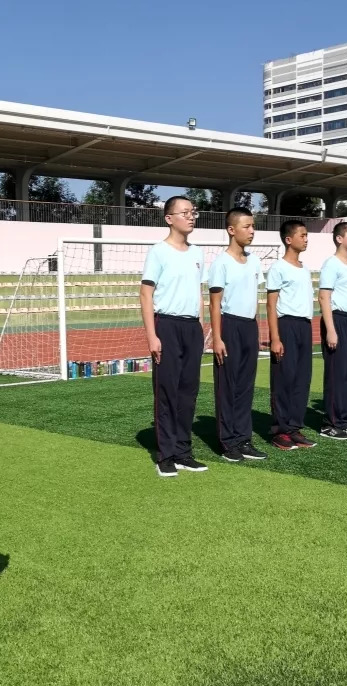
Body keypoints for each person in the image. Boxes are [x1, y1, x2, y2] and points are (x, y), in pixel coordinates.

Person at [140, 196, 208, 477]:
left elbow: (199, 294)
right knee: (167, 393)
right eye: (185, 212)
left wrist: (202, 328)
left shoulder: (197, 253)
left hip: (192, 328)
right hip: (166, 326)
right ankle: (165, 454)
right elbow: (146, 294)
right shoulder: (158, 251)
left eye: (193, 212)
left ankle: (184, 451)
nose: (191, 217)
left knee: (188, 393)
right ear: (169, 218)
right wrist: (152, 336)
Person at [209, 207, 267, 461]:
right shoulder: (220, 263)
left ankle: (244, 438)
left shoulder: (254, 261)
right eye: (246, 226)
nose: (252, 231)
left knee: (245, 386)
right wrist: (218, 337)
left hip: (249, 326)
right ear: (231, 230)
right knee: (228, 386)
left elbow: (255, 298)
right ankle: (228, 441)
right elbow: (214, 303)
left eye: (253, 226)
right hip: (229, 325)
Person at [266, 220, 317, 451]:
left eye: (307, 235)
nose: (306, 239)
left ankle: (294, 427)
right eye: (302, 235)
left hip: (304, 326)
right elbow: (271, 304)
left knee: (301, 379)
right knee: (284, 379)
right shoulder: (278, 268)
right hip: (286, 325)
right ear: (289, 239)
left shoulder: (304, 268)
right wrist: (275, 337)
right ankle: (279, 430)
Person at [318, 221, 347, 441]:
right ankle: (331, 424)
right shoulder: (331, 264)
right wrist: (331, 330)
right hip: (339, 321)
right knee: (337, 374)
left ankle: (345, 421)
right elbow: (324, 297)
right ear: (339, 238)